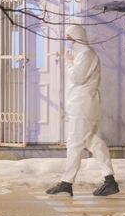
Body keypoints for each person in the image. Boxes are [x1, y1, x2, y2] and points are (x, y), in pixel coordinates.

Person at [46, 25, 119, 197]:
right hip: (83, 104)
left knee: (74, 143)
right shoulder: (83, 54)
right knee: (93, 142)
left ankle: (66, 183)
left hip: (83, 105)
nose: (67, 41)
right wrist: (71, 60)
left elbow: (77, 78)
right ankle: (109, 180)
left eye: (69, 37)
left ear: (75, 37)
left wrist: (68, 62)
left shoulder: (86, 54)